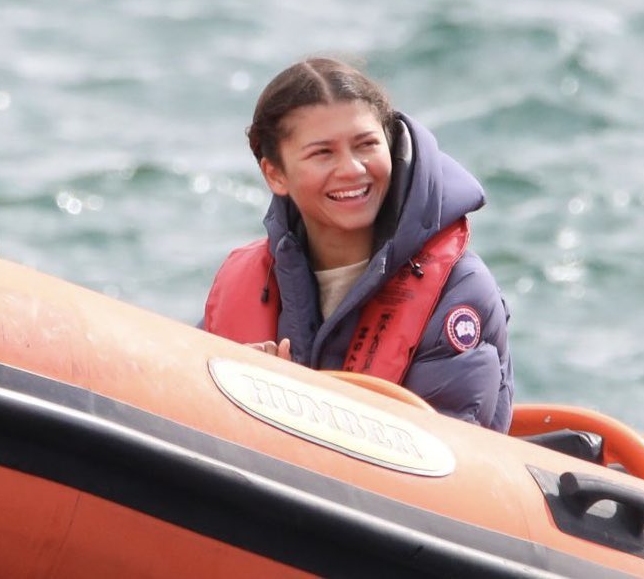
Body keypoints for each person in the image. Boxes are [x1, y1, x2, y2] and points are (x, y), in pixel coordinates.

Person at [202, 58, 513, 432]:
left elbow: (447, 450)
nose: (352, 169)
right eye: (323, 153)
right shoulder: (242, 277)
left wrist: (283, 406)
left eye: (366, 145)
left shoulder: (460, 289)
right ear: (275, 174)